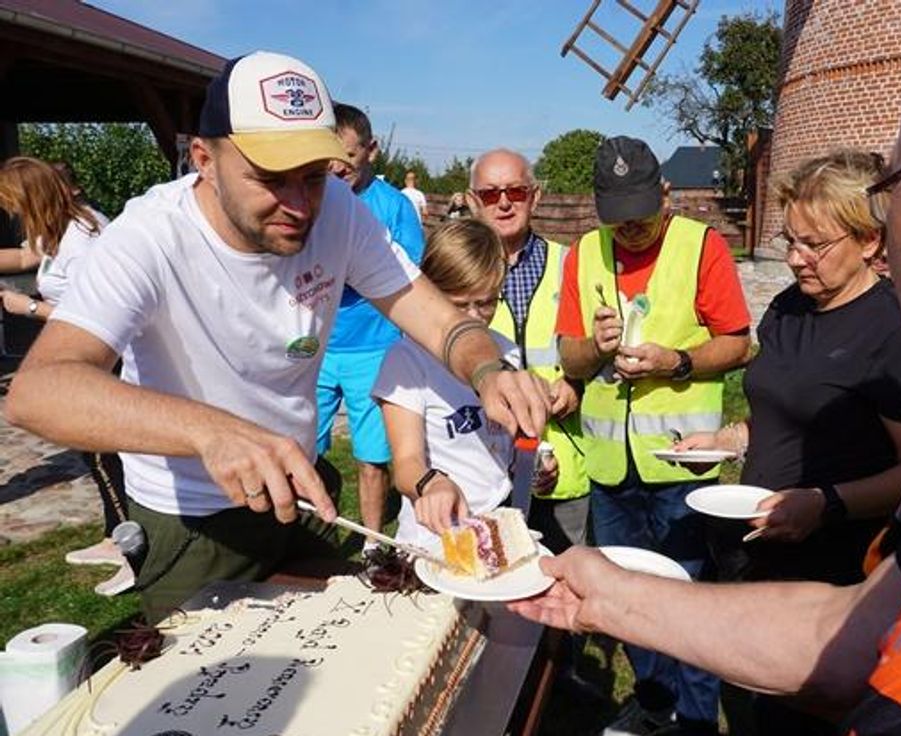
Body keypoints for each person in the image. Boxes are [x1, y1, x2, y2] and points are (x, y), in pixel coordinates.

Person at [514, 0, 901, 736]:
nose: (875, 249)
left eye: (897, 184)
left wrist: (821, 499)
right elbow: (844, 640)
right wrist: (609, 596)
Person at [4, 51, 550, 624]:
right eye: (269, 178)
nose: (298, 205)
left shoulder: (337, 209)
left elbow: (436, 317)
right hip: (193, 516)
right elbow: (39, 391)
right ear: (203, 159)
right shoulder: (149, 237)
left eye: (313, 177)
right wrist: (209, 430)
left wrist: (488, 369)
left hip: (300, 490)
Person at [678, 151, 901, 736]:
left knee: (828, 730)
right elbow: (784, 414)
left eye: (815, 244)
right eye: (790, 239)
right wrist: (725, 441)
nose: (796, 257)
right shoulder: (786, 309)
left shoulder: (897, 332)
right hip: (760, 548)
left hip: (840, 570)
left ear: (869, 240)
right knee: (773, 720)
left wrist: (824, 505)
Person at [555, 136, 752, 736]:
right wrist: (595, 345)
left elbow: (738, 343)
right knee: (624, 590)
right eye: (620, 217)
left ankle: (696, 724)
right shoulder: (585, 252)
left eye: (643, 213)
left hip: (682, 462)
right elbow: (569, 357)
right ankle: (653, 698)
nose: (632, 229)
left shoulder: (702, 245)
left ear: (666, 194)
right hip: (613, 464)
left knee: (689, 594)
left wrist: (678, 361)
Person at [374, 218, 556, 549]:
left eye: (486, 302)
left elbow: (509, 447)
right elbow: (405, 464)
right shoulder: (406, 361)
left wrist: (536, 467)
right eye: (458, 305)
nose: (473, 317)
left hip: (499, 523)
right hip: (435, 533)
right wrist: (432, 484)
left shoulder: (505, 353)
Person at [0, 156, 133, 597]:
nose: (12, 213)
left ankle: (134, 548)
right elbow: (26, 255)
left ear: (32, 200)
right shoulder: (58, 229)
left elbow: (99, 315)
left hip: (109, 357)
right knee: (93, 452)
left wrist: (29, 308)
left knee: (105, 451)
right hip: (89, 357)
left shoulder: (85, 240)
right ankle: (116, 532)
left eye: (14, 204)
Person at [319, 102, 425, 565]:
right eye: (329, 155)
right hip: (317, 346)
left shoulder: (394, 207)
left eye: (348, 155)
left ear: (371, 151)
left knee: (371, 457)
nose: (337, 167)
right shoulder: (313, 197)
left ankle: (372, 546)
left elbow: (407, 278)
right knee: (300, 446)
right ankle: (305, 537)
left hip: (375, 348)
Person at [470, 148, 590, 555]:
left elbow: (599, 352)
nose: (504, 202)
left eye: (516, 191)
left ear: (534, 197)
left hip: (565, 466)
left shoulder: (571, 264)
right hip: (486, 472)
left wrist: (576, 384)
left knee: (567, 592)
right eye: (489, 194)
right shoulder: (452, 276)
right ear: (472, 202)